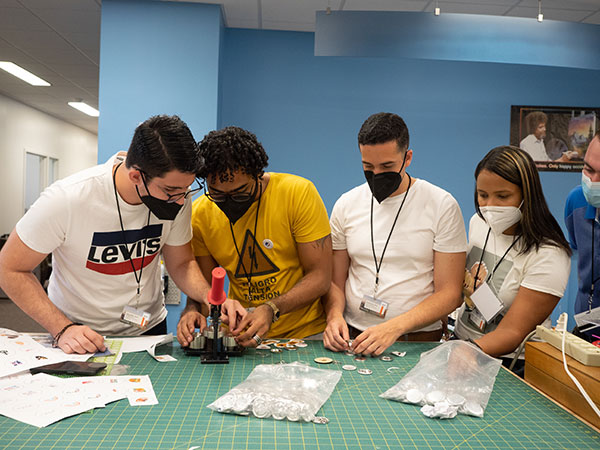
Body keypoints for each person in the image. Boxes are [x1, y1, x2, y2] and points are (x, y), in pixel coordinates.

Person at [0, 115, 243, 354]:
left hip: (148, 326)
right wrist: (62, 328)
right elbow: (9, 268)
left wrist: (209, 297)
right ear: (136, 176)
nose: (181, 200)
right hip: (78, 331)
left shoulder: (178, 196)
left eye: (186, 189)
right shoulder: (68, 199)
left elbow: (181, 262)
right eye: (171, 191)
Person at [323, 112, 467, 356]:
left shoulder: (441, 205)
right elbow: (336, 281)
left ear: (407, 157)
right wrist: (334, 316)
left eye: (387, 166)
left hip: (417, 340)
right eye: (368, 166)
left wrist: (394, 328)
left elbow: (450, 293)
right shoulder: (346, 204)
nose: (377, 174)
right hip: (353, 336)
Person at [177, 126, 332, 348]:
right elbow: (206, 287)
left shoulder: (298, 193)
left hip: (303, 335)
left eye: (240, 193)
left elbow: (320, 277)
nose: (228, 202)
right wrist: (192, 311)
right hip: (240, 337)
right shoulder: (200, 213)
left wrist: (272, 308)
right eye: (218, 194)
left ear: (258, 174)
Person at [456, 145, 571, 362]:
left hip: (511, 362)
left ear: (527, 195)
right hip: (463, 344)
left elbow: (513, 332)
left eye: (503, 196)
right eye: (483, 195)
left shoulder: (549, 253)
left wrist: (466, 351)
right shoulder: (478, 223)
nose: (490, 206)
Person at [565, 130, 600, 340]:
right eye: (589, 169)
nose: (594, 181)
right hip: (585, 331)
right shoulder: (576, 201)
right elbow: (578, 250)